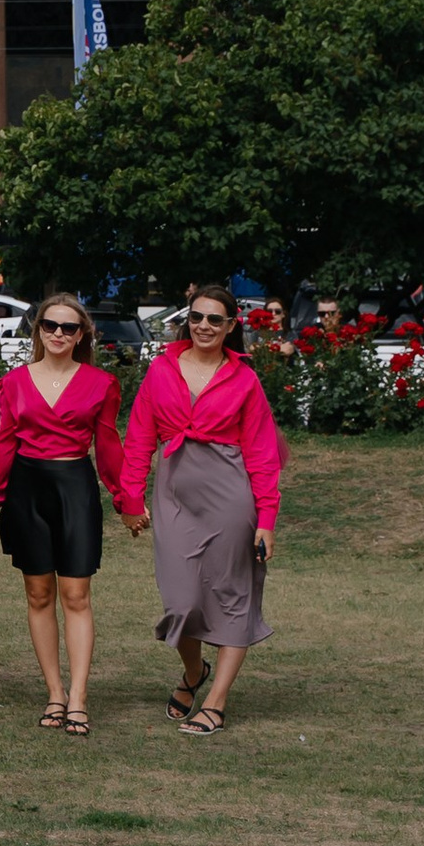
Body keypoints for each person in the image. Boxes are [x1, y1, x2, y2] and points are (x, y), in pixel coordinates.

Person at [118, 283, 283, 739]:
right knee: (181, 601)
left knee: (233, 597)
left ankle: (216, 702)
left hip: (231, 499)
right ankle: (195, 671)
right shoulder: (161, 369)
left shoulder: (245, 379)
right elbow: (139, 439)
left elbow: (263, 455)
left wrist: (266, 520)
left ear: (231, 326)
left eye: (214, 319)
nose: (203, 326)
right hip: (173, 499)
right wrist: (130, 499)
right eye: (196, 317)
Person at [0, 293, 122, 737]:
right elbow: (5, 440)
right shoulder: (13, 382)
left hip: (75, 488)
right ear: (38, 330)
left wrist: (126, 499)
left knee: (77, 595)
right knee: (38, 593)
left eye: (68, 327)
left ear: (82, 335)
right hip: (27, 490)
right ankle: (55, 693)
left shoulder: (102, 383)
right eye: (50, 325)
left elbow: (108, 445)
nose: (58, 333)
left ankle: (78, 697)